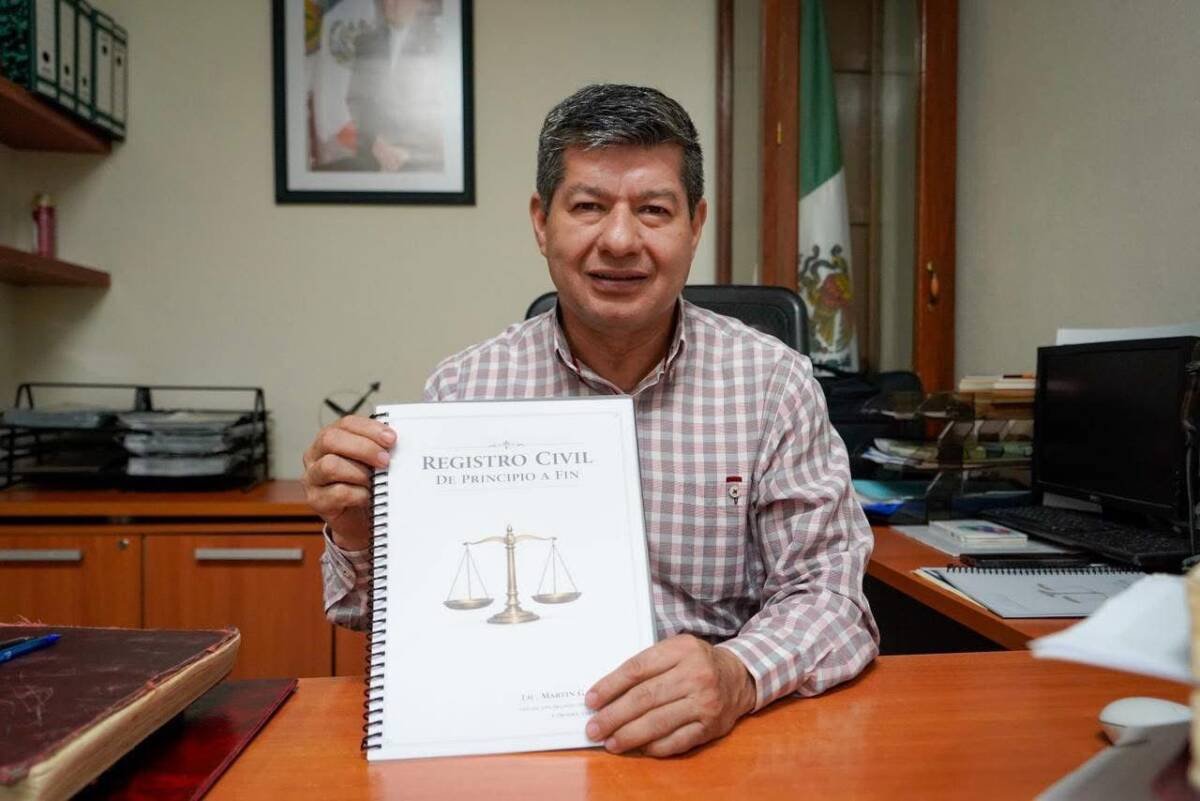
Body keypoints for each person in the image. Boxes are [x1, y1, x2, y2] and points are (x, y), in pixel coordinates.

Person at [304, 83, 878, 758]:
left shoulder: (772, 384)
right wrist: (357, 528)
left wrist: (738, 673)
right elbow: (378, 617)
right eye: (588, 207)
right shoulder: (463, 390)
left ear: (695, 224)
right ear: (541, 221)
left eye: (654, 210)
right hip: (515, 744)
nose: (621, 240)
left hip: (708, 743)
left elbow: (833, 600)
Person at [344, 0, 445, 172]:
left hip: (422, 161)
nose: (394, 3)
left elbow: (444, 112)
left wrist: (408, 151)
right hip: (373, 154)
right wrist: (374, 141)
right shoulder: (365, 42)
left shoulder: (440, 41)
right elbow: (356, 99)